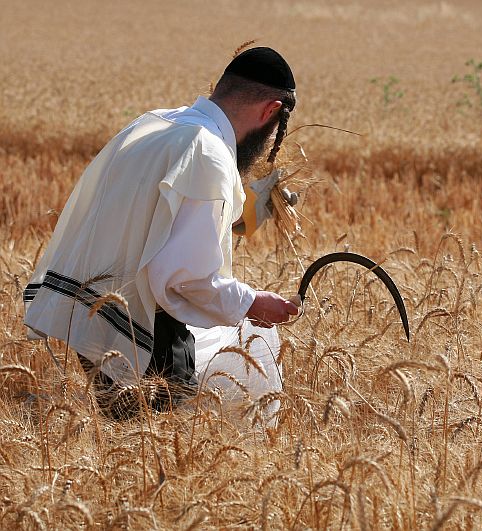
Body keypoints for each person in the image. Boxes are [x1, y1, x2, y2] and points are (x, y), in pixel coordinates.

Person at [23, 47, 299, 418]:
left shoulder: (154, 123)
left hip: (95, 314)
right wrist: (251, 303)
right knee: (157, 455)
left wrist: (240, 213)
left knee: (124, 440)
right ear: (271, 112)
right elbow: (183, 277)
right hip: (143, 330)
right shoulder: (209, 155)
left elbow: (147, 220)